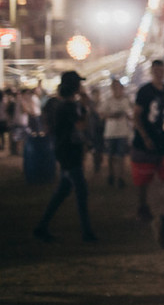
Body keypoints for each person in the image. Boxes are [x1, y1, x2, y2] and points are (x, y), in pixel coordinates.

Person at [33, 71, 98, 242]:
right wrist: (85, 107)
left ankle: (42, 226)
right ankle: (87, 232)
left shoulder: (65, 105)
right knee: (81, 192)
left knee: (63, 191)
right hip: (69, 154)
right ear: (74, 86)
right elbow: (81, 125)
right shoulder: (67, 107)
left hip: (67, 152)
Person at [132, 59, 164, 248]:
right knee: (144, 179)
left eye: (161, 68)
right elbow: (137, 115)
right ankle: (144, 208)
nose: (159, 72)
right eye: (156, 69)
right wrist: (145, 137)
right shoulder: (144, 91)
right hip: (145, 143)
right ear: (152, 71)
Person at [100, 78, 134, 187]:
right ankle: (111, 174)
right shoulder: (108, 100)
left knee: (120, 156)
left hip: (122, 132)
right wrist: (111, 115)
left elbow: (130, 115)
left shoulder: (125, 100)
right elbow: (101, 114)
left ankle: (120, 177)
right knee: (110, 156)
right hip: (110, 133)